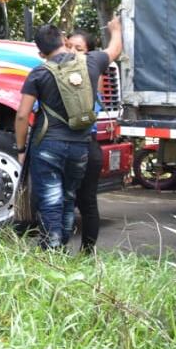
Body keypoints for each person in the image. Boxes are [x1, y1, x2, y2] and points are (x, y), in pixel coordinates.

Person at [15, 18, 122, 249]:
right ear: (64, 40)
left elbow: (23, 115)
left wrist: (21, 149)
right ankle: (61, 244)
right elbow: (115, 49)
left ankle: (53, 250)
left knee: (50, 200)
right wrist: (115, 30)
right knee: (67, 198)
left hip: (48, 146)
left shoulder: (38, 73)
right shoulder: (91, 62)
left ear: (41, 53)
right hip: (80, 147)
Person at [67, 28, 104, 255]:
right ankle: (58, 251)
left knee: (86, 202)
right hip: (83, 148)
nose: (72, 52)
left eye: (78, 49)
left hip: (82, 147)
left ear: (89, 55)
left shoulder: (89, 85)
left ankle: (86, 253)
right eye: (69, 46)